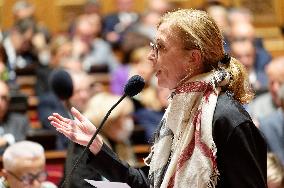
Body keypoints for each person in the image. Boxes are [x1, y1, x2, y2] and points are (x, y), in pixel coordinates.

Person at [48, 9, 267, 188]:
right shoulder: (177, 111)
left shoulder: (227, 118)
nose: (150, 56)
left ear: (193, 58)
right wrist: (98, 148)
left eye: (160, 47)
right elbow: (152, 184)